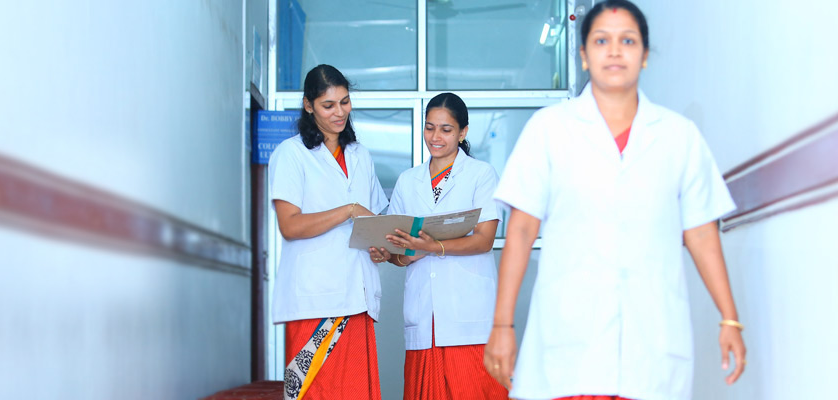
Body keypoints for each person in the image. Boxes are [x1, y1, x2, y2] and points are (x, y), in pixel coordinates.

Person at [482, 1, 747, 400]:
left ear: (645, 54)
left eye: (628, 40)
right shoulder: (549, 130)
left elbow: (701, 232)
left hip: (652, 346)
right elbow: (520, 230)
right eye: (602, 40)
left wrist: (730, 319)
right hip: (570, 346)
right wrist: (502, 325)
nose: (615, 51)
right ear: (584, 55)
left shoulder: (678, 136)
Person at [368, 93, 508, 400]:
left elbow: (484, 239)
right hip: (424, 315)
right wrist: (389, 253)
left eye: (446, 129)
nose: (436, 137)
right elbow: (402, 251)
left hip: (467, 313)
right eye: (430, 128)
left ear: (462, 132)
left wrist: (434, 246)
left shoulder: (480, 174)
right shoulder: (408, 181)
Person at [268, 64, 387, 400]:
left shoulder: (360, 156)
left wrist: (380, 247)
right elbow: (290, 225)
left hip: (358, 299)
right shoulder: (291, 155)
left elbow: (374, 218)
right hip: (315, 304)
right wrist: (348, 210)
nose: (340, 112)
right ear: (308, 106)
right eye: (328, 105)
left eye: (345, 102)